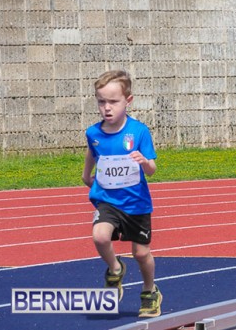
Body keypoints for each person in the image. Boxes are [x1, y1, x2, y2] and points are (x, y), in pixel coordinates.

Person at [82, 70, 162, 318]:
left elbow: (152, 169)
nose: (106, 108)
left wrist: (144, 162)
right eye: (101, 101)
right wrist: (86, 175)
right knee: (100, 236)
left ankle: (149, 290)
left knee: (141, 253)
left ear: (128, 101)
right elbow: (93, 152)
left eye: (113, 102)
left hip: (136, 203)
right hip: (107, 200)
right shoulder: (93, 133)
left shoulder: (138, 131)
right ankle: (115, 269)